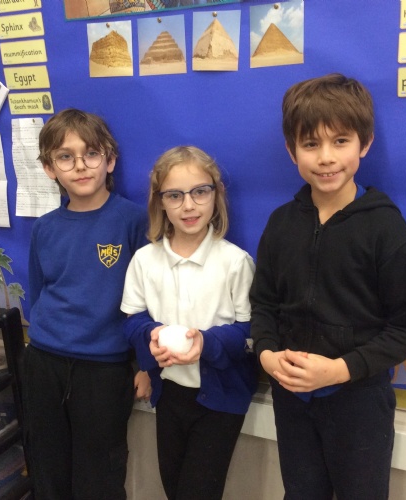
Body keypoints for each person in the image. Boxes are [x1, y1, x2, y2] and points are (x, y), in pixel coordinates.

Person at [249, 74, 406, 500]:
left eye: (341, 141)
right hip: (292, 402)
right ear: (292, 151)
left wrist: (340, 370)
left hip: (360, 404)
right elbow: (263, 304)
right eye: (311, 144)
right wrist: (267, 354)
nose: (326, 157)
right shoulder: (281, 224)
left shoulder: (386, 228)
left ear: (364, 144)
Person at [121, 146, 258, 500]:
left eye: (199, 192)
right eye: (175, 195)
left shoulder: (235, 262)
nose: (188, 205)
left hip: (221, 397)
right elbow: (133, 320)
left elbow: (251, 332)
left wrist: (206, 344)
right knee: (173, 485)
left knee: (199, 492)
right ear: (160, 201)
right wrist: (150, 336)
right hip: (169, 395)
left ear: (216, 194)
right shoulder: (145, 260)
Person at [24, 108, 148, 500]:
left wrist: (147, 366)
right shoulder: (44, 228)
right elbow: (37, 292)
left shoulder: (133, 220)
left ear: (109, 161)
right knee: (48, 468)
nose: (80, 166)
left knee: (100, 475)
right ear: (49, 168)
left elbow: (150, 297)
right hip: (44, 362)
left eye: (91, 154)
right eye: (65, 157)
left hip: (104, 369)